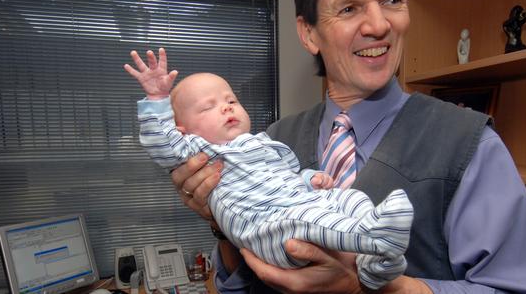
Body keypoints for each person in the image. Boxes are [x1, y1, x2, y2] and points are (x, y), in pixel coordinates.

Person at [169, 0, 526, 293]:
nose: (379, 25)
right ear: (308, 34)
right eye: (349, 8)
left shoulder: (471, 146)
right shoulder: (271, 143)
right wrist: (219, 224)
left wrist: (373, 287)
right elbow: (238, 285)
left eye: (392, 0)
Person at [124, 48, 414, 289]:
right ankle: (375, 238)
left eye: (231, 100)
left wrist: (310, 179)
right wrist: (156, 99)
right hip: (265, 228)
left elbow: (285, 178)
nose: (226, 107)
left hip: (294, 204)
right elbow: (160, 141)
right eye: (207, 107)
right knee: (306, 219)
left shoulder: (264, 143)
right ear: (184, 132)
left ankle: (375, 262)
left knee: (349, 198)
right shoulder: (198, 151)